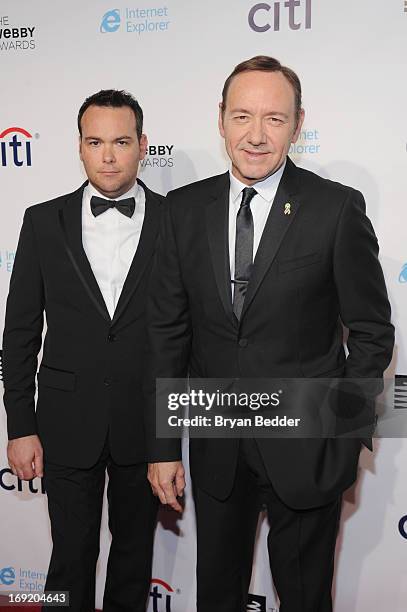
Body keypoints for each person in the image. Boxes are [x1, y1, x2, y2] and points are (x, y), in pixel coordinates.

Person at [145, 56, 394, 611]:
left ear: (298, 123)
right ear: (221, 119)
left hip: (307, 451)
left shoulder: (334, 208)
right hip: (216, 451)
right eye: (242, 116)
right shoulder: (183, 210)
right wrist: (163, 447)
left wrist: (342, 435)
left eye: (275, 119)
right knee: (216, 598)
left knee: (305, 600)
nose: (256, 135)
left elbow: (373, 332)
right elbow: (168, 332)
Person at [3, 89, 161, 611]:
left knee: (135, 558)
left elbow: (185, 329)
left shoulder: (175, 220)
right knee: (69, 558)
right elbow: (20, 332)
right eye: (96, 142)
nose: (109, 156)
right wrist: (21, 424)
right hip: (66, 420)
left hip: (144, 419)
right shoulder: (42, 221)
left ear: (142, 144)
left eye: (120, 141)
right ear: (79, 147)